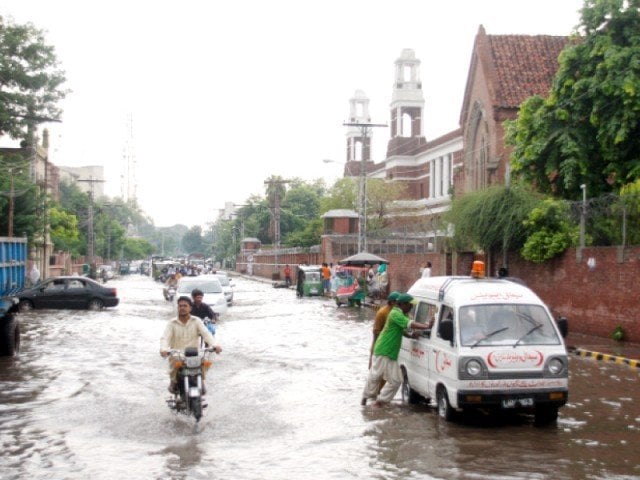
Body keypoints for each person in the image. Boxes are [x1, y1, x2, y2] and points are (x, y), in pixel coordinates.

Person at [361, 293, 431, 407]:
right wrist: (427, 326)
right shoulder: (395, 313)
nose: (411, 307)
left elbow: (402, 330)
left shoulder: (400, 314)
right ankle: (365, 399)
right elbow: (410, 324)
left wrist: (412, 335)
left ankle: (380, 401)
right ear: (403, 304)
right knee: (375, 376)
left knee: (396, 380)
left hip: (391, 352)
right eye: (410, 305)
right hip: (383, 349)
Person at [160, 296, 222, 394]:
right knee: (174, 362)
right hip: (178, 354)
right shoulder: (172, 323)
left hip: (195, 354)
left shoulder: (196, 321)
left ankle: (201, 379)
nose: (182, 308)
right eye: (180, 306)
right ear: (177, 308)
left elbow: (206, 334)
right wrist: (164, 349)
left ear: (190, 308)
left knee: (206, 360)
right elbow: (165, 338)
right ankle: (174, 381)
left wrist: (215, 345)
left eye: (185, 306)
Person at [369, 291, 400, 369]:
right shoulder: (382, 313)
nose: (400, 305)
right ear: (392, 302)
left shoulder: (397, 312)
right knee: (377, 373)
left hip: (390, 347)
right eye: (398, 302)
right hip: (380, 346)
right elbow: (376, 332)